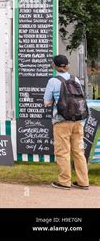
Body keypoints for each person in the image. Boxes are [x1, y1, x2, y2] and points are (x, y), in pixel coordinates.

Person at [44, 55, 89, 190]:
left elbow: (47, 102)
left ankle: (64, 182)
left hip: (61, 121)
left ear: (54, 66)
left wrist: (54, 100)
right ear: (67, 65)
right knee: (78, 152)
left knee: (63, 152)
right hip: (78, 120)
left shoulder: (53, 81)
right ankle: (83, 181)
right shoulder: (75, 79)